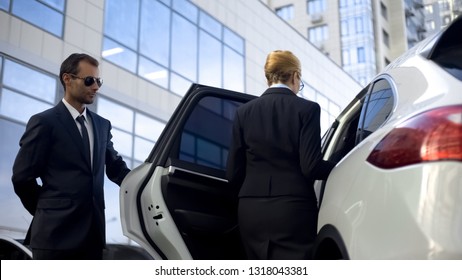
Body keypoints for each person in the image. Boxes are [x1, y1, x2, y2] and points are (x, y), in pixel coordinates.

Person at [11, 53, 131, 260]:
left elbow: (117, 169)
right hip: (54, 236)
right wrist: (47, 211)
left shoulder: (102, 125)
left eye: (98, 81)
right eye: (89, 80)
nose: (96, 87)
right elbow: (22, 178)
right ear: (67, 79)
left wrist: (149, 183)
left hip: (92, 238)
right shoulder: (44, 122)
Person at [226, 50, 336, 260]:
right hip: (292, 208)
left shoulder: (243, 112)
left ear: (268, 77)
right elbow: (311, 166)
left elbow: (233, 172)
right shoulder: (307, 109)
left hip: (251, 210)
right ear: (295, 76)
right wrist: (339, 166)